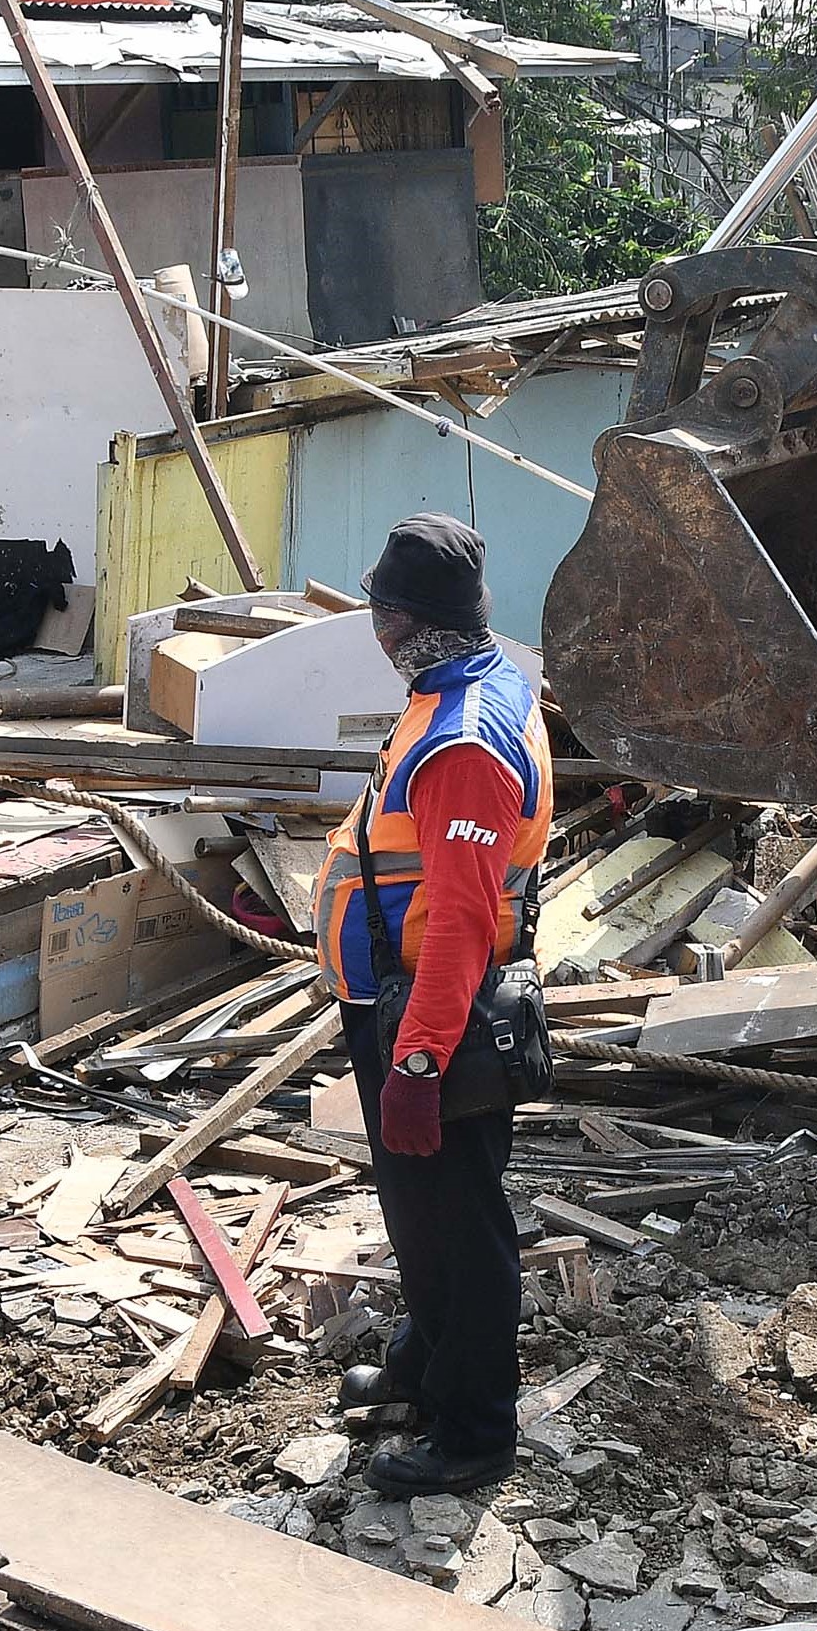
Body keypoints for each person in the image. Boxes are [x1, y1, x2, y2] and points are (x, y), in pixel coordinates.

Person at [311, 515, 551, 1496]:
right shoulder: (473, 682)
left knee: (460, 1226)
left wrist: (414, 1064)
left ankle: (473, 1431)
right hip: (405, 1002)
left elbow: (456, 921)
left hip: (432, 1018)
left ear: (392, 622)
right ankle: (423, 1370)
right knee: (423, 1217)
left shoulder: (461, 741)